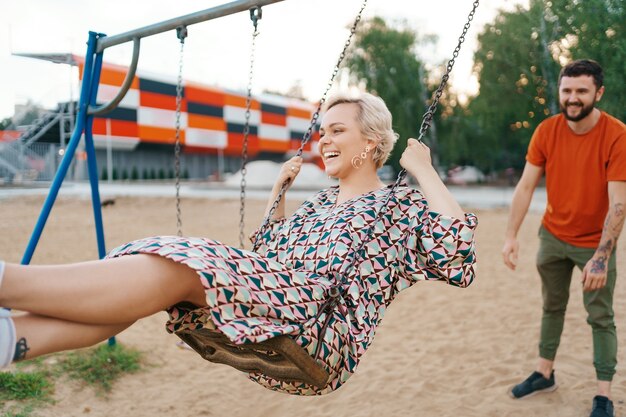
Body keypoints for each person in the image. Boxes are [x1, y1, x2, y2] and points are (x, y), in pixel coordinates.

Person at [0, 92, 477, 396]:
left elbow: (458, 253)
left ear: (371, 142)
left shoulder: (396, 206)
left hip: (322, 331)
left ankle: (7, 281)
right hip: (280, 310)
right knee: (157, 284)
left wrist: (425, 172)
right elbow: (266, 258)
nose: (323, 141)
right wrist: (279, 194)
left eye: (337, 130)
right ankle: (13, 339)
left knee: (178, 259)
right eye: (321, 131)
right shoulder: (318, 205)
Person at [502, 59, 626, 417]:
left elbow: (618, 204)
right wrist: (511, 235)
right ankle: (544, 373)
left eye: (581, 91)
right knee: (551, 307)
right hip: (553, 236)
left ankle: (603, 394)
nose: (572, 98)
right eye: (567, 90)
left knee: (600, 317)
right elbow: (526, 186)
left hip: (594, 242)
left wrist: (602, 256)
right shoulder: (546, 130)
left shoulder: (617, 135)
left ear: (598, 93)